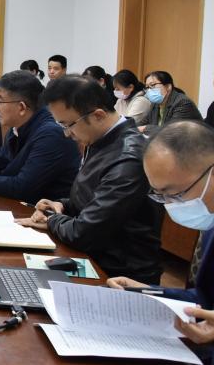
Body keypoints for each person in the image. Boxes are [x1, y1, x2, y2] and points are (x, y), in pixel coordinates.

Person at [106, 120, 214, 365]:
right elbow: (207, 300)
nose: (171, 205)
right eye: (160, 195)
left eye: (176, 194)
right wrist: (147, 292)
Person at [16, 76, 163, 283]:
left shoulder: (128, 158)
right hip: (97, 256)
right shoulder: (102, 140)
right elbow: (94, 199)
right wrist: (61, 205)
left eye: (68, 125)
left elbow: (84, 232)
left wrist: (51, 219)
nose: (67, 134)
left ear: (98, 115)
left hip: (120, 275)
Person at [0, 70, 79, 202]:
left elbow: (22, 187)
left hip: (41, 210)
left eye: (0, 101)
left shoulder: (50, 135)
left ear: (21, 107)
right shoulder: (16, 128)